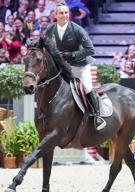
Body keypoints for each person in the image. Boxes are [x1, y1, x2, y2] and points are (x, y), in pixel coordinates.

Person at [43, 2, 105, 130]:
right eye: (61, 13)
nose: (64, 15)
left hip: (79, 65)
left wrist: (72, 55)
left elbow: (90, 50)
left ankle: (97, 116)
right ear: (55, 15)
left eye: (66, 13)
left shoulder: (77, 29)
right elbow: (45, 46)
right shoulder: (50, 29)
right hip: (62, 67)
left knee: (87, 87)